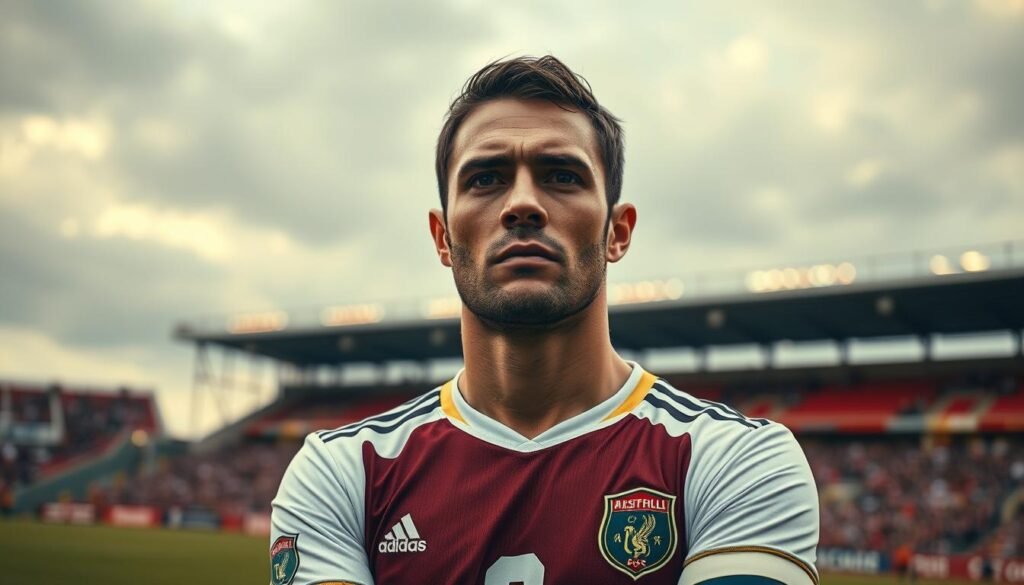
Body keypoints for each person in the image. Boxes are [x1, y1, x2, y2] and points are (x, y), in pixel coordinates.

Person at [271, 55, 819, 585]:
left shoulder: (736, 459)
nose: (523, 204)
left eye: (561, 176)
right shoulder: (343, 473)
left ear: (616, 232)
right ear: (443, 237)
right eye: (485, 179)